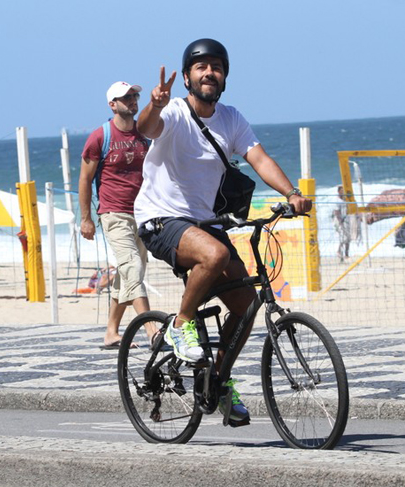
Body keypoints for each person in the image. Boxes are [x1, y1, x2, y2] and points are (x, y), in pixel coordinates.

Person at [134, 39, 312, 425]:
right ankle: (182, 324)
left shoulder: (231, 118)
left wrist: (292, 194)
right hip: (160, 219)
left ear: (225, 75)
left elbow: (259, 158)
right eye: (200, 67)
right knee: (213, 256)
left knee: (248, 305)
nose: (209, 72)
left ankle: (218, 379)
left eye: (216, 66)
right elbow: (148, 127)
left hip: (206, 222)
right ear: (186, 78)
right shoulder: (175, 112)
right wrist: (156, 104)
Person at [79, 80, 151, 350]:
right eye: (125, 97)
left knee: (129, 273)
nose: (132, 100)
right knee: (132, 266)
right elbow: (85, 179)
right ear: (112, 105)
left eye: (134, 96)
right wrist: (86, 219)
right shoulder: (101, 136)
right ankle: (150, 328)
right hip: (113, 212)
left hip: (144, 213)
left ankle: (111, 331)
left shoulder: (145, 133)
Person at [332, 185, 351, 263]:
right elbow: (336, 212)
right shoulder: (337, 200)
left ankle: (346, 254)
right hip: (339, 221)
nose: (343, 192)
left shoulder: (346, 199)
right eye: (342, 190)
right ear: (339, 191)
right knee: (343, 238)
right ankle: (340, 252)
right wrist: (341, 222)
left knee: (348, 238)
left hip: (346, 220)